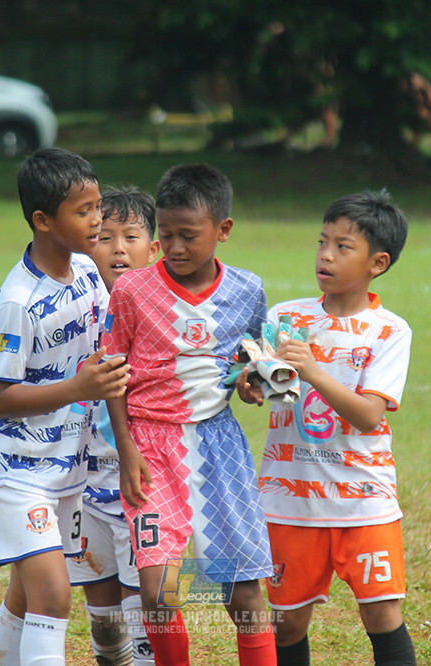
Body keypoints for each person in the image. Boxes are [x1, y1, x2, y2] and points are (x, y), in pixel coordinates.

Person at [103, 164, 277, 666]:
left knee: (244, 593)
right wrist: (126, 448)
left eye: (189, 236)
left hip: (220, 448)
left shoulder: (247, 290)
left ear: (223, 230)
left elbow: (251, 362)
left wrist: (252, 383)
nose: (174, 247)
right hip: (149, 447)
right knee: (158, 592)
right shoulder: (132, 290)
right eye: (166, 234)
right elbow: (112, 373)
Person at [240, 190, 417, 666]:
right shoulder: (285, 317)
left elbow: (369, 415)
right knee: (288, 622)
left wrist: (314, 371)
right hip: (289, 500)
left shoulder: (389, 330)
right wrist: (250, 384)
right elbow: (267, 388)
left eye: (343, 246)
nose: (326, 255)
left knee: (382, 612)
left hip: (364, 498)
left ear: (377, 263)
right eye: (322, 242)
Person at [0, 147, 132, 666]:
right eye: (83, 211)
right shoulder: (18, 300)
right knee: (54, 596)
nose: (98, 219)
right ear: (43, 221)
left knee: (25, 597)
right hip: (16, 473)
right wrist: (76, 388)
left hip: (68, 470)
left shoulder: (86, 270)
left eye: (97, 206)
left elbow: (110, 352)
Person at [66, 186, 161, 666]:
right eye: (105, 237)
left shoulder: (161, 311)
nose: (118, 249)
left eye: (131, 237)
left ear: (154, 248)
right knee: (102, 617)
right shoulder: (76, 306)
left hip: (143, 483)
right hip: (83, 485)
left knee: (146, 606)